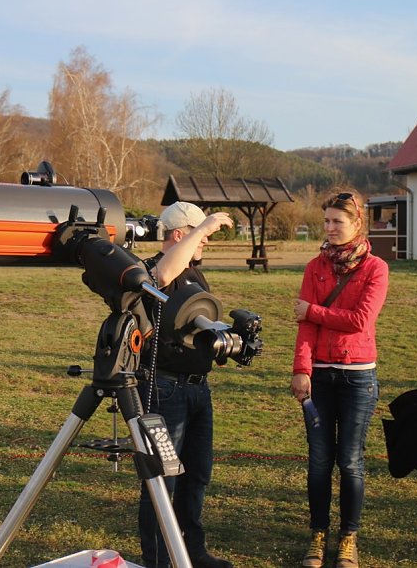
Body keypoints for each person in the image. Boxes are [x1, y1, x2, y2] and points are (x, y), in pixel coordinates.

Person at [290, 191, 389, 568]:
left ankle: (349, 536)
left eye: (338, 222)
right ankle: (318, 534)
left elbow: (361, 321)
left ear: (356, 224)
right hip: (319, 377)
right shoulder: (315, 266)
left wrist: (313, 310)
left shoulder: (375, 268)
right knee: (318, 462)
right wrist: (302, 369)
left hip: (358, 378)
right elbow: (305, 328)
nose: (330, 229)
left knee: (349, 462)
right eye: (327, 221)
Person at [137, 201, 234, 568]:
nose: (205, 243)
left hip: (197, 388)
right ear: (181, 234)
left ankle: (192, 552)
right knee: (163, 481)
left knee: (197, 474)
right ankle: (160, 560)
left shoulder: (193, 273)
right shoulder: (150, 269)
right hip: (164, 389)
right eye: (200, 236)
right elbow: (162, 276)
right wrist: (202, 227)